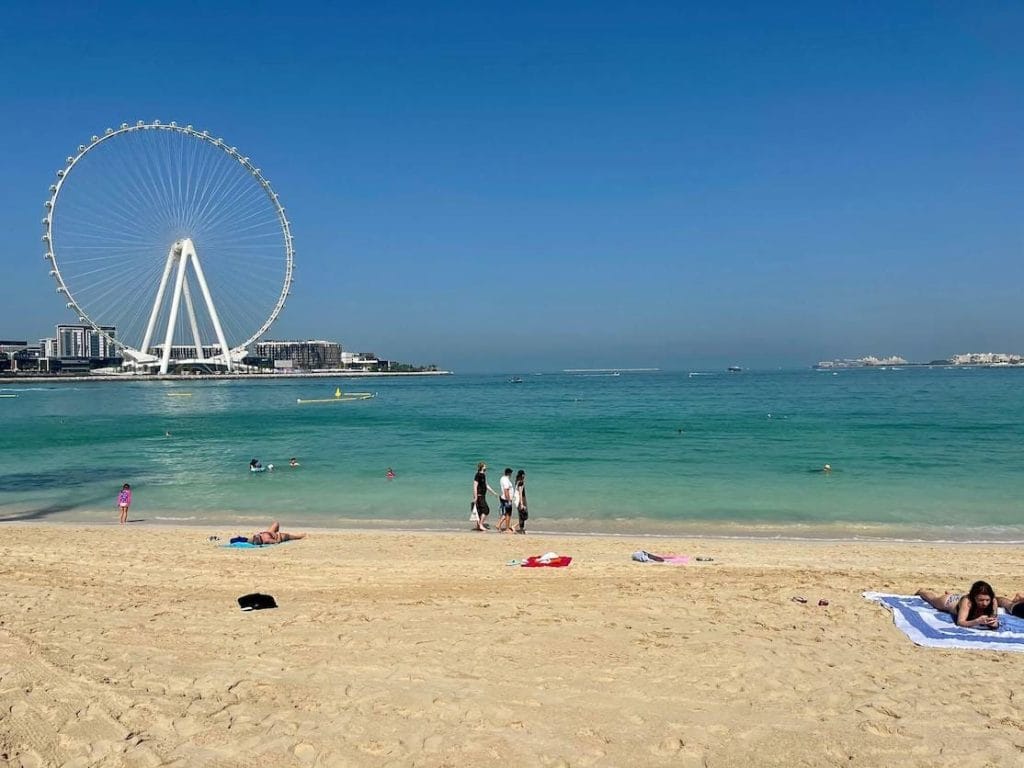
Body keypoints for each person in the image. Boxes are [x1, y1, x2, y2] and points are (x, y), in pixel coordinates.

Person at [916, 581, 999, 629]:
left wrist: (993, 623)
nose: (984, 603)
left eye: (987, 600)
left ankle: (952, 594)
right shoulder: (967, 602)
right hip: (950, 602)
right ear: (974, 598)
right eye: (980, 600)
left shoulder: (993, 601)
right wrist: (977, 621)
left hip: (960, 600)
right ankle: (922, 592)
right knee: (933, 600)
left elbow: (994, 620)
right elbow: (960, 622)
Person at [471, 461, 498, 531]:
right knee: (486, 510)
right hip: (479, 496)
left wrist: (493, 492)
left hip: (483, 495)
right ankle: (480, 524)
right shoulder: (478, 475)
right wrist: (475, 497)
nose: (486, 467)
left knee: (479, 511)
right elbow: (475, 486)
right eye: (485, 466)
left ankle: (478, 525)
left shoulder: (483, 475)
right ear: (482, 467)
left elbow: (486, 485)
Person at [497, 468, 515, 533]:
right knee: (508, 514)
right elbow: (506, 490)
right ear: (509, 473)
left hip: (504, 498)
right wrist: (509, 500)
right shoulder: (506, 480)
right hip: (506, 499)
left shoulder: (502, 478)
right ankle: (507, 528)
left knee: (506, 513)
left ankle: (498, 524)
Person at [514, 469, 528, 534]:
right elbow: (520, 493)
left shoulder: (517, 481)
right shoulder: (521, 482)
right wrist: (522, 503)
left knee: (521, 514)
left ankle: (521, 529)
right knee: (524, 515)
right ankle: (515, 527)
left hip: (520, 499)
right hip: (521, 499)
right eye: (524, 474)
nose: (524, 476)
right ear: (522, 475)